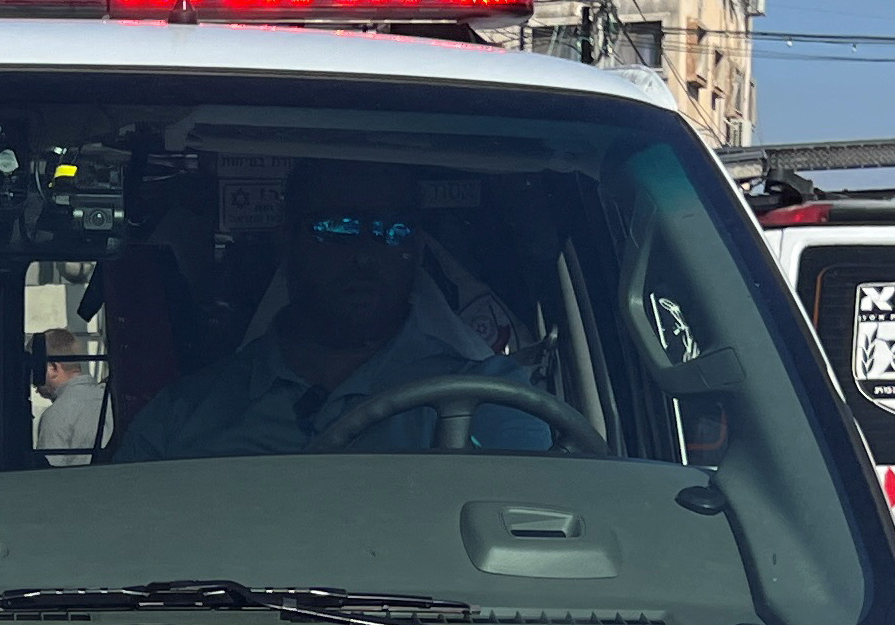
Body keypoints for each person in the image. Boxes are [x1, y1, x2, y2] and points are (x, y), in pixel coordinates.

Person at [114, 159, 552, 460]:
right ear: (286, 240)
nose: (365, 253)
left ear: (417, 249)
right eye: (336, 228)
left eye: (390, 231)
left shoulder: (490, 403)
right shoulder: (184, 417)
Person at [32, 325, 110, 465]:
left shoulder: (56, 415)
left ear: (53, 368)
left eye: (34, 369)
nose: (33, 384)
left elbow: (49, 478)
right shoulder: (110, 398)